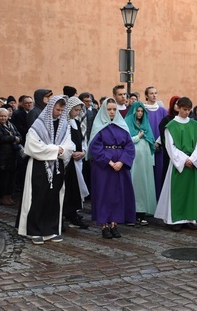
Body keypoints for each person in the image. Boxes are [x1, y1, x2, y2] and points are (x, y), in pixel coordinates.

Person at [18, 96, 74, 244]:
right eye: (57, 109)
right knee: (38, 197)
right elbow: (32, 146)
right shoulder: (38, 125)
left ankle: (50, 229)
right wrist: (56, 149)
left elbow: (69, 145)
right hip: (39, 166)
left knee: (53, 198)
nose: (59, 113)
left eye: (62, 110)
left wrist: (61, 150)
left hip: (57, 166)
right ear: (50, 108)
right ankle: (34, 231)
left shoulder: (64, 125)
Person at [87, 98, 136, 239]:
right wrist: (109, 161)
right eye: (109, 109)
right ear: (104, 110)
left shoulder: (122, 126)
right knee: (103, 195)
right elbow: (95, 147)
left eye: (114, 109)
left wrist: (121, 161)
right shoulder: (99, 127)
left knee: (118, 195)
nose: (112, 112)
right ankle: (104, 225)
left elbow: (129, 146)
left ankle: (115, 224)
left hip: (120, 168)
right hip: (103, 168)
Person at [156, 97, 197, 231]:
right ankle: (176, 219)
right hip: (179, 164)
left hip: (192, 163)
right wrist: (184, 160)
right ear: (178, 108)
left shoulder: (196, 125)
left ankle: (190, 218)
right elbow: (170, 146)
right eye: (184, 109)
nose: (187, 112)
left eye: (189, 110)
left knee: (191, 192)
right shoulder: (171, 126)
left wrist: (193, 159)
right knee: (177, 192)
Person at [125, 101, 157, 224]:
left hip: (145, 161)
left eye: (141, 111)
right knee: (134, 184)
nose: (139, 113)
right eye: (137, 111)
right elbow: (125, 141)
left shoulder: (146, 125)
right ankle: (132, 212)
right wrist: (137, 137)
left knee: (144, 184)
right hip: (133, 161)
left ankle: (142, 212)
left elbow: (150, 141)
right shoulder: (127, 123)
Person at [62, 96, 90, 229]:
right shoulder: (64, 123)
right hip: (68, 161)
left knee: (77, 187)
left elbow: (82, 140)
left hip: (78, 160)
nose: (78, 112)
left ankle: (73, 212)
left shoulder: (76, 123)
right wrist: (71, 152)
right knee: (70, 188)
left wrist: (83, 151)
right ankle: (68, 213)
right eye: (76, 110)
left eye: (79, 110)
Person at [0, 108, 22, 206]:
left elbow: (19, 135)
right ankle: (3, 197)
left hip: (12, 155)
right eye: (1, 116)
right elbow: (0, 138)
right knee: (4, 178)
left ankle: (9, 196)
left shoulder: (11, 125)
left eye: (5, 116)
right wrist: (13, 138)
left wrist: (16, 138)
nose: (3, 118)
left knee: (11, 178)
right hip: (3, 155)